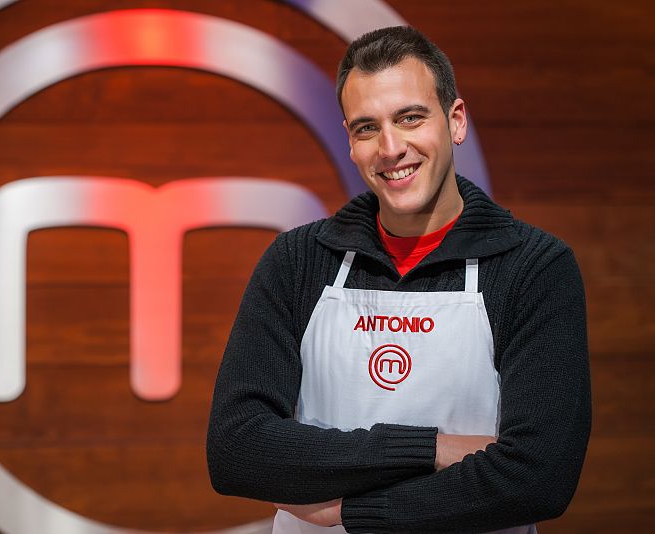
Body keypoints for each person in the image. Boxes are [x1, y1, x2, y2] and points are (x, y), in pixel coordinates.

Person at [207, 25, 590, 534]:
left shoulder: (533, 268)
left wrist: (351, 511)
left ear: (456, 121)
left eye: (410, 118)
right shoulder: (297, 260)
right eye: (367, 128)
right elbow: (237, 450)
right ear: (350, 141)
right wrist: (434, 448)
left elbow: (539, 475)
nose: (390, 148)